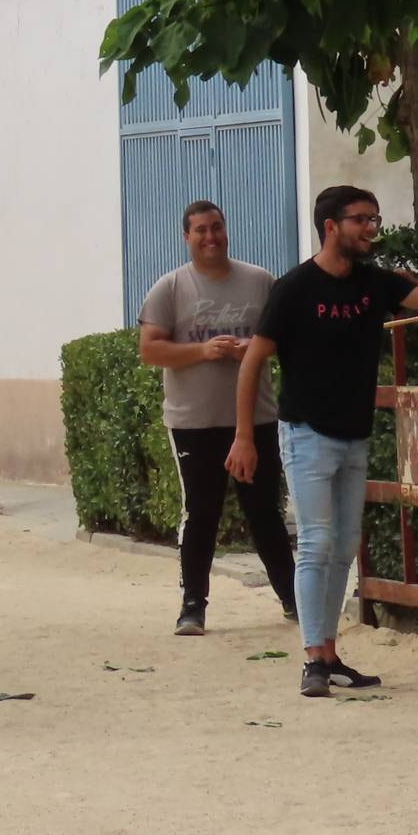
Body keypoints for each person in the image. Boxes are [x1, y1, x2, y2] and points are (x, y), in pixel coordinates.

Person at [229, 186, 418, 700]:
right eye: (360, 219)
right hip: (305, 434)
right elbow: (253, 362)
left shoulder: (374, 284)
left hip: (354, 434)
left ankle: (329, 653)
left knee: (344, 547)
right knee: (317, 544)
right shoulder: (294, 288)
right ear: (330, 226)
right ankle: (311, 660)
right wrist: (243, 437)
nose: (371, 228)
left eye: (375, 218)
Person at [138, 200, 296, 635]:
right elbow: (150, 348)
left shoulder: (259, 281)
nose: (211, 238)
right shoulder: (170, 288)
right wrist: (202, 351)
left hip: (257, 418)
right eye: (201, 230)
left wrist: (256, 349)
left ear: (227, 230)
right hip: (193, 421)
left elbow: (288, 338)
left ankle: (292, 598)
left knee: (264, 511)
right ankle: (193, 606)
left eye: (217, 228)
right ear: (186, 237)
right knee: (201, 513)